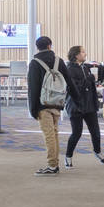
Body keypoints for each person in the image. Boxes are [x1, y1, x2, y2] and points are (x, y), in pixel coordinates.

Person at [62, 46, 104, 168]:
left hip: (89, 105)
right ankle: (68, 156)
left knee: (95, 132)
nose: (85, 54)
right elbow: (74, 87)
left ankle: (97, 151)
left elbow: (103, 69)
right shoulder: (69, 69)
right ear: (76, 55)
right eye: (82, 52)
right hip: (76, 106)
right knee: (76, 133)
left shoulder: (86, 67)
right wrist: (90, 79)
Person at [27, 36, 75, 176]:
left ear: (37, 47)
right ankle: (54, 164)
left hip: (43, 104)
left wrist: (33, 109)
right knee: (54, 134)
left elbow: (33, 88)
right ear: (50, 46)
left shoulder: (35, 63)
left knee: (49, 135)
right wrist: (76, 99)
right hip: (57, 103)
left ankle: (52, 166)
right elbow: (69, 82)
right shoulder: (58, 61)